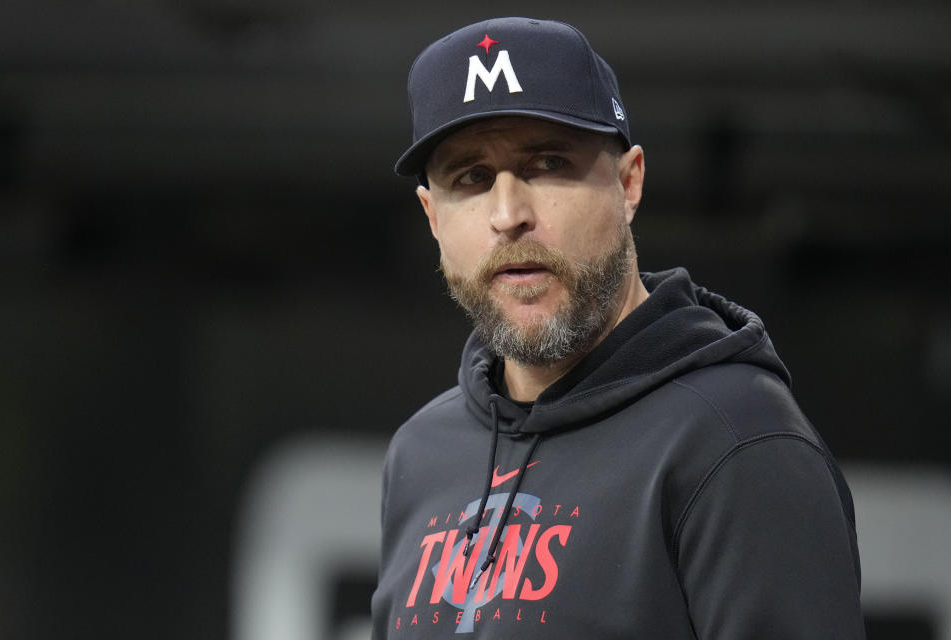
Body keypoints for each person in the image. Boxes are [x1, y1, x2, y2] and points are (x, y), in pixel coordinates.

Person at [371, 17, 865, 639]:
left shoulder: (737, 441)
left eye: (548, 164)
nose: (508, 215)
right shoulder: (421, 454)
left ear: (628, 183)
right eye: (470, 178)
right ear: (432, 217)